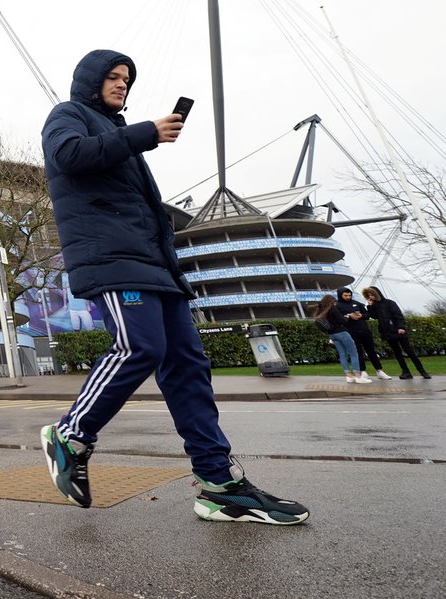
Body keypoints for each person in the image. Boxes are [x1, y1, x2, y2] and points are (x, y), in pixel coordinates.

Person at [39, 49, 308, 525]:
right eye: (114, 77)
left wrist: (172, 264)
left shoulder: (117, 135)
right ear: (90, 79)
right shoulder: (68, 116)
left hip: (156, 266)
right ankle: (71, 436)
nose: (122, 85)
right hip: (112, 261)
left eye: (127, 79)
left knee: (187, 365)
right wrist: (145, 133)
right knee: (138, 347)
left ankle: (218, 485)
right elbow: (68, 156)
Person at [362, 286, 431, 379]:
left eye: (372, 294)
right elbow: (374, 316)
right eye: (368, 295)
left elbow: (398, 315)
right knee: (397, 352)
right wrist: (369, 306)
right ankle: (406, 372)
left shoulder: (389, 303)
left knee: (409, 351)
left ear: (376, 293)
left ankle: (422, 371)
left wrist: (401, 327)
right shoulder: (374, 306)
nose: (370, 296)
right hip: (387, 332)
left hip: (397, 330)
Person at [335, 287, 392, 380]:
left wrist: (361, 315)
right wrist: (348, 316)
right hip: (351, 332)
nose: (348, 297)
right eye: (345, 295)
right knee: (358, 352)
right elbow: (337, 319)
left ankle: (379, 370)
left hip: (364, 330)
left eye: (349, 295)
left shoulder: (357, 303)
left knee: (372, 351)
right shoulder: (337, 306)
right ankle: (363, 371)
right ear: (340, 295)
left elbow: (367, 315)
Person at [314, 294, 370, 383]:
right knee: (353, 353)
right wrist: (348, 316)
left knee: (342, 354)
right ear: (332, 302)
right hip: (341, 333)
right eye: (335, 302)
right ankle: (358, 377)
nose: (336, 304)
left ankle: (349, 376)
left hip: (332, 335)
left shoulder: (322, 311)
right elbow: (342, 321)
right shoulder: (333, 309)